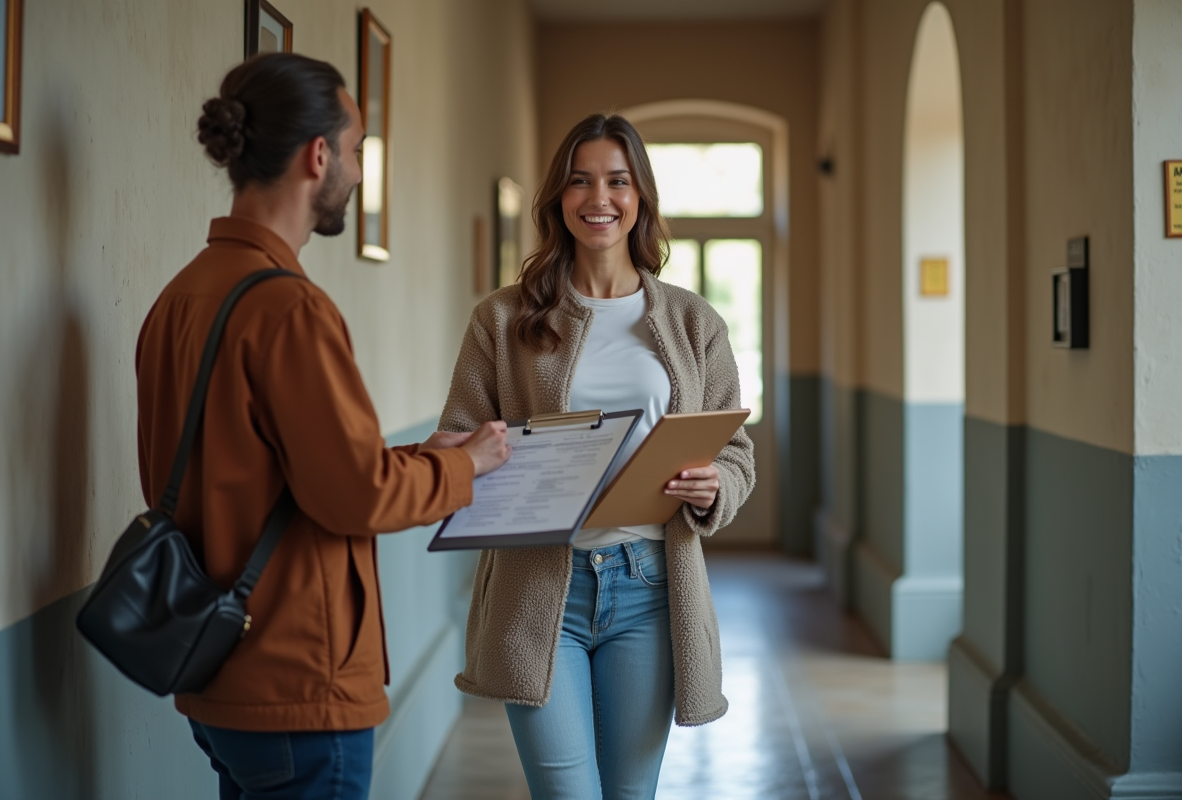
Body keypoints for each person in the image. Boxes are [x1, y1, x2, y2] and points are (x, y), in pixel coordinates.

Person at [136, 53, 510, 800]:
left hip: (214, 667)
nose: (361, 172)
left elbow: (272, 469)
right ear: (318, 156)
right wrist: (468, 465)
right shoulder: (290, 309)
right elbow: (356, 497)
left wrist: (415, 457)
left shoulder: (180, 296)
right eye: (359, 151)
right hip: (297, 679)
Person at [439, 113, 756, 799]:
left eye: (617, 181)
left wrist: (714, 486)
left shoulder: (694, 321)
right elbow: (455, 439)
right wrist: (481, 454)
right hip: (538, 589)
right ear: (558, 198)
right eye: (580, 182)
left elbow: (735, 452)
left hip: (649, 589)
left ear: (641, 196)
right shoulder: (502, 319)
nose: (599, 198)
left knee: (629, 793)